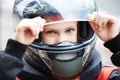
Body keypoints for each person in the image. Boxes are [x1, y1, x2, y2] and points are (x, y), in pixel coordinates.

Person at [1, 0, 120, 80]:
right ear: (35, 36)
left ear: (83, 32)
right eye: (51, 32)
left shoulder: (105, 76)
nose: (62, 41)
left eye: (69, 30)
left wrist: (116, 42)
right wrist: (15, 49)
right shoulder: (14, 76)